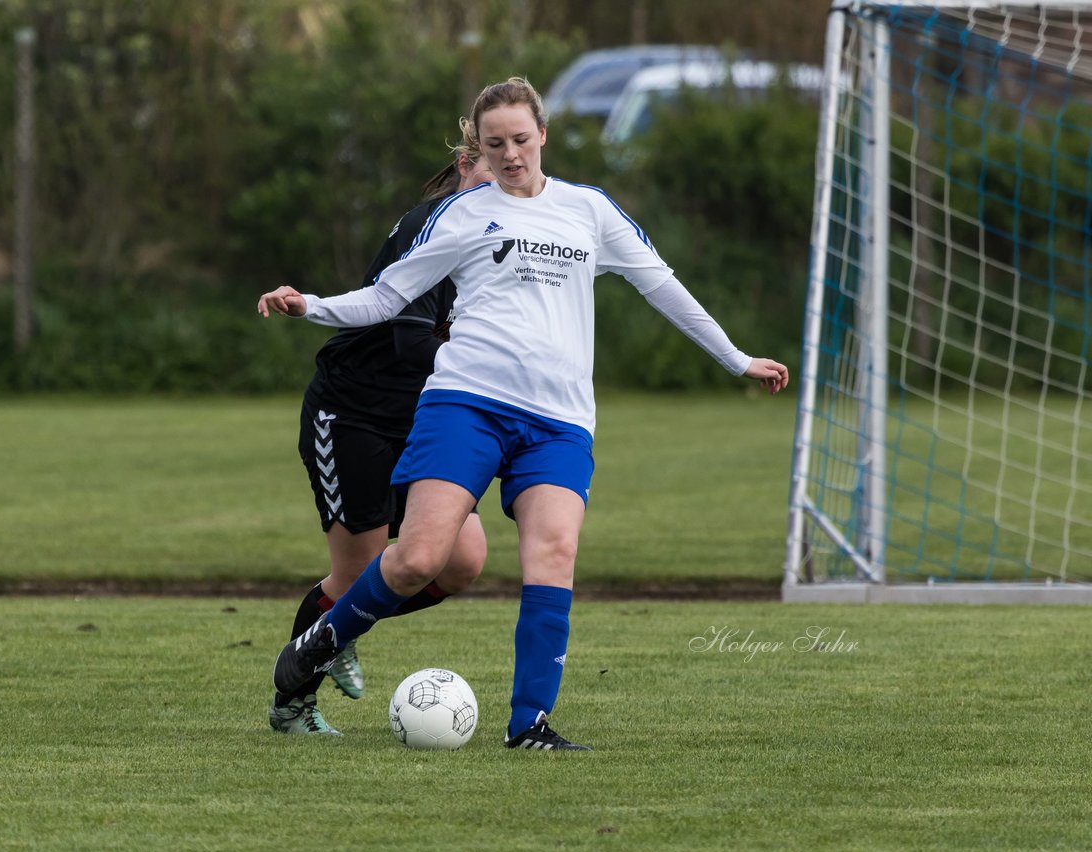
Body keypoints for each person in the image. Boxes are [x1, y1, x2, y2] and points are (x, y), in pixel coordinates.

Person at [258, 77, 789, 751]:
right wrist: (311, 303)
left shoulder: (588, 210)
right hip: (466, 405)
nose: (509, 154)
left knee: (554, 552)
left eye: (518, 139)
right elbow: (387, 298)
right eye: (493, 143)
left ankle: (529, 724)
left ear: (543, 134)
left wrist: (735, 358)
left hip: (560, 420)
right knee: (419, 558)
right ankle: (325, 640)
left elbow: (663, 286)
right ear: (475, 149)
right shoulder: (461, 215)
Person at [267, 127, 496, 736]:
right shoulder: (435, 223)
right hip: (352, 414)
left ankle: (342, 623)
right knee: (352, 576)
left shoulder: (502, 237)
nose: (502, 184)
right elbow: (411, 339)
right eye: (490, 168)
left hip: (422, 421)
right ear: (468, 164)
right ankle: (293, 701)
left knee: (463, 561)